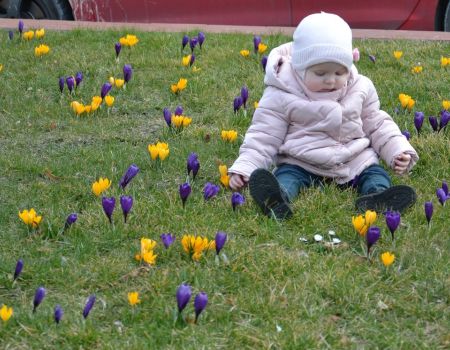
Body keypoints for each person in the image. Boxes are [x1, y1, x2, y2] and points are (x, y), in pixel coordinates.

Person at [228, 12, 418, 220]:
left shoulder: (360, 87)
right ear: (300, 69)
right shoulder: (282, 93)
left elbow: (377, 122)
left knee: (374, 173)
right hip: (302, 161)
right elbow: (264, 134)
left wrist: (397, 150)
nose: (330, 80)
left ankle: (378, 197)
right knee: (286, 177)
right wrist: (246, 167)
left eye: (339, 73)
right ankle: (276, 199)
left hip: (352, 159)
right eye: (320, 73)